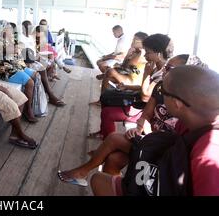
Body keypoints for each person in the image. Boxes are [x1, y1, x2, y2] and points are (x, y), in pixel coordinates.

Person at [58, 55, 206, 188]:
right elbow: (147, 114)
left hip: (165, 152)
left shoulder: (192, 106)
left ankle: (82, 172)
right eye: (166, 66)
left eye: (169, 68)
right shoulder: (161, 88)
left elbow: (145, 97)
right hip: (150, 139)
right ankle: (114, 187)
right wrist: (139, 128)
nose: (164, 70)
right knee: (113, 159)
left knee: (114, 138)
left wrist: (149, 137)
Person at [91, 65, 219, 196]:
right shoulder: (190, 122)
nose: (159, 93)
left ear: (177, 103)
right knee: (103, 174)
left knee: (100, 180)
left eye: (162, 90)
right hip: (167, 176)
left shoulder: (209, 154)